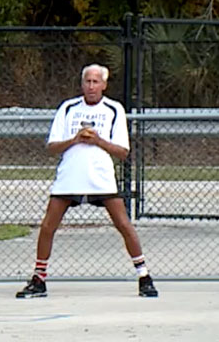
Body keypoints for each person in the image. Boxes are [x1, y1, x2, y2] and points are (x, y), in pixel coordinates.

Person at [16, 63, 158, 299]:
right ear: (82, 84)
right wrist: (74, 139)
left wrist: (98, 141)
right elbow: (52, 147)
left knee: (123, 224)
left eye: (95, 82)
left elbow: (122, 151)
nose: (91, 87)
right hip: (70, 175)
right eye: (87, 82)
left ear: (104, 84)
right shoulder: (68, 108)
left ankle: (144, 276)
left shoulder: (113, 110)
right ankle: (39, 278)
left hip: (100, 177)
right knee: (48, 226)